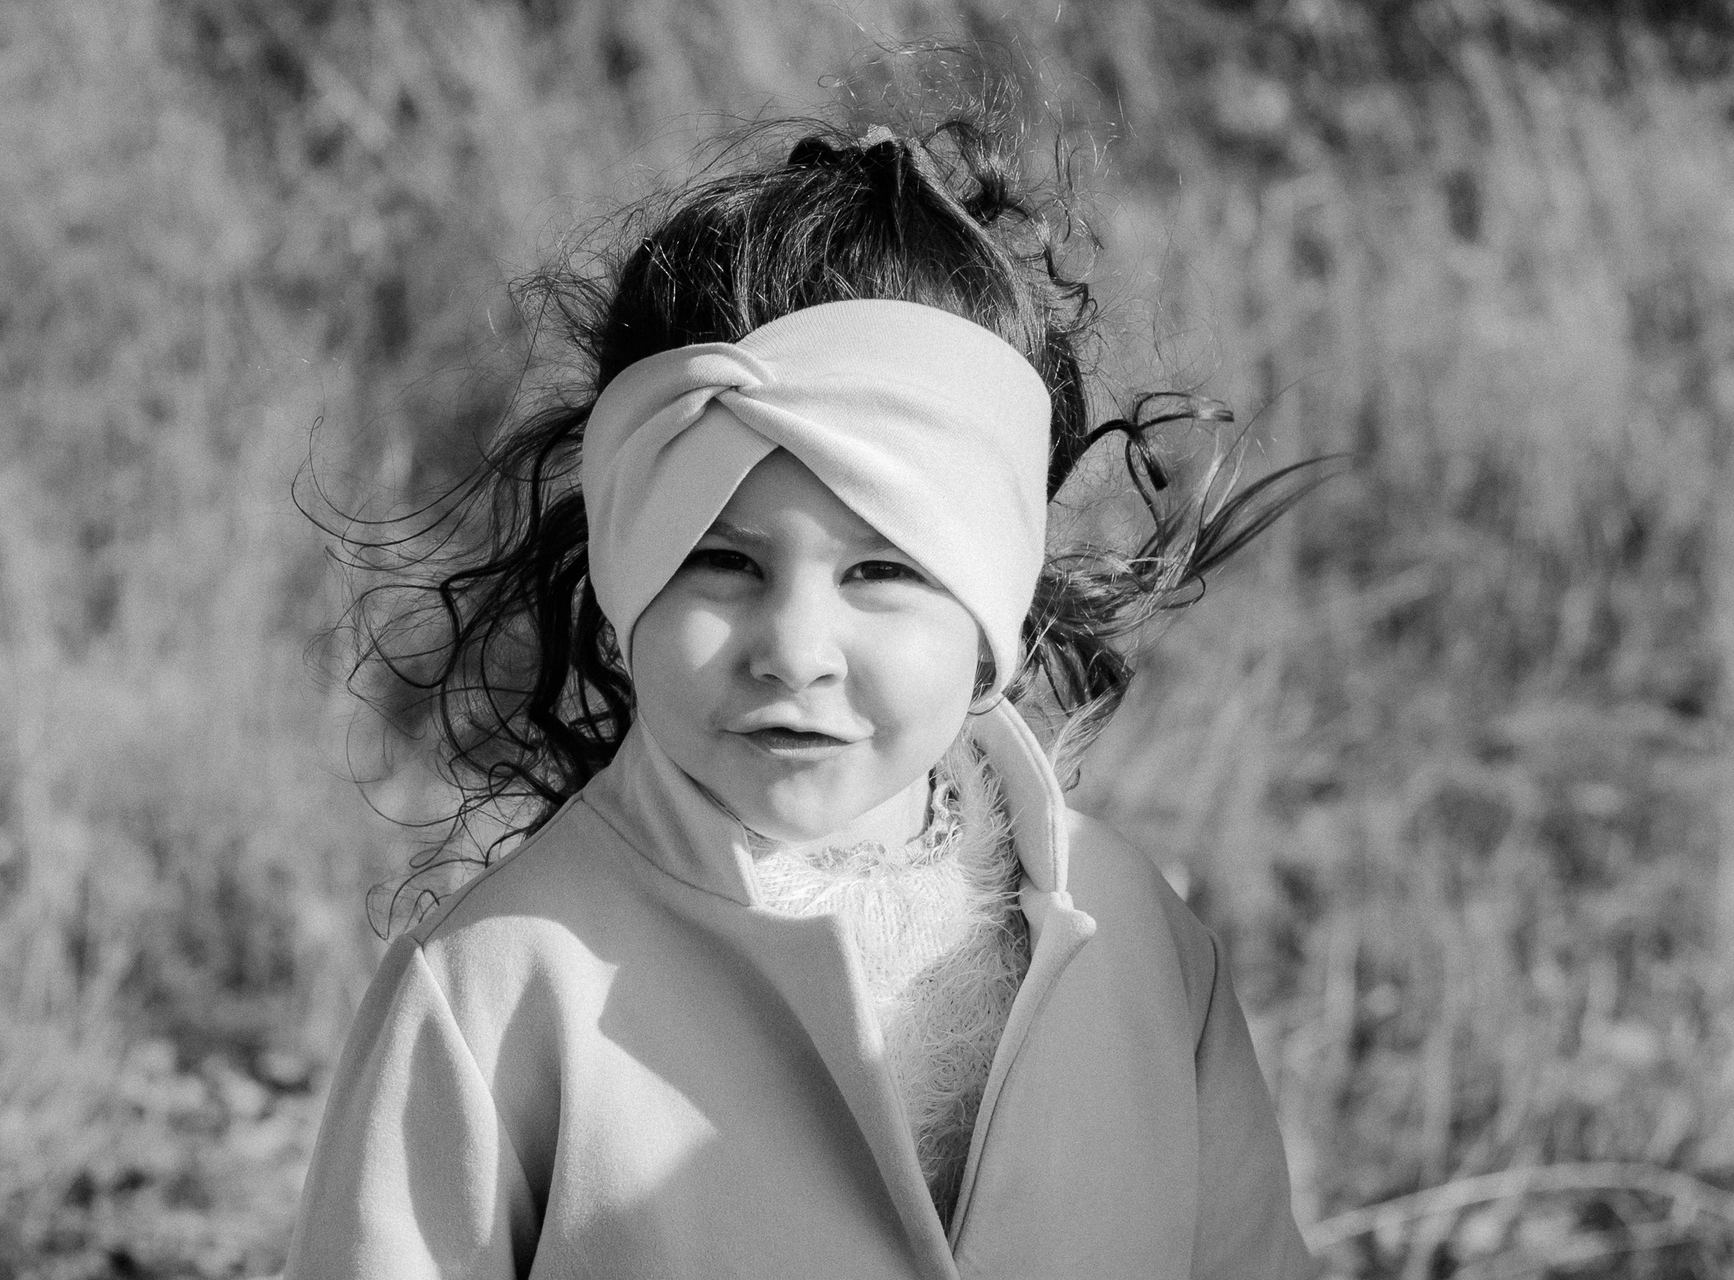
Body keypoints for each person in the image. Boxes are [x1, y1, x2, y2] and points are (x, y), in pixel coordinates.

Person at [286, 105, 1317, 1279]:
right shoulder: (495, 988)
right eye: (723, 561)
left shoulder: (1139, 939)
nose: (797, 649)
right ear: (627, 580)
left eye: (882, 570)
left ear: (994, 606)